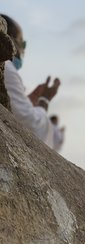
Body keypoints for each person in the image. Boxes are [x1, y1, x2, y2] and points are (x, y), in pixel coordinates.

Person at [2, 14, 61, 149]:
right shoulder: (6, 66)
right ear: (9, 39)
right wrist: (44, 100)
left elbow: (14, 112)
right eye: (22, 43)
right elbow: (30, 125)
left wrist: (28, 101)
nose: (23, 49)